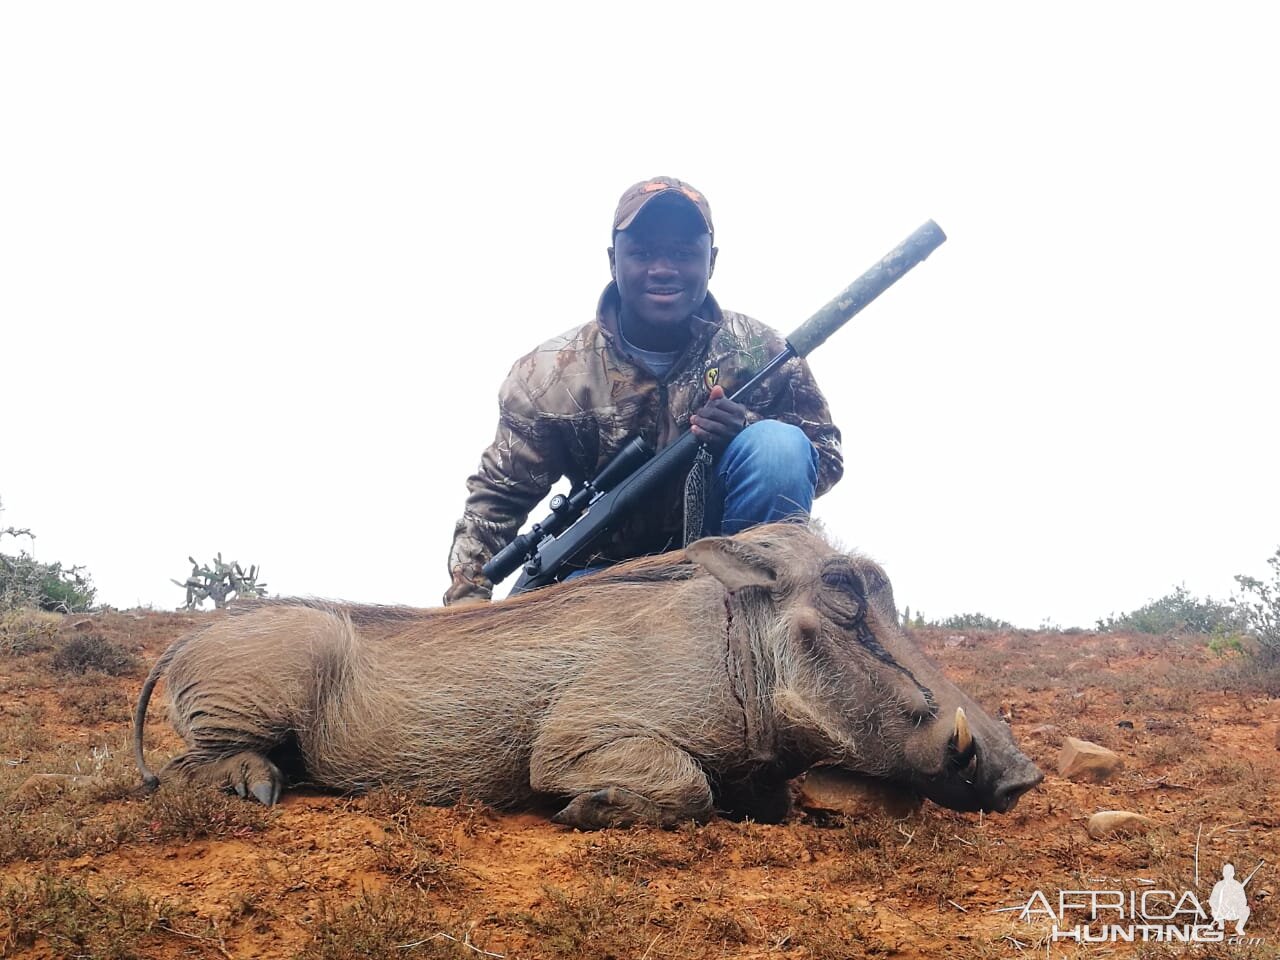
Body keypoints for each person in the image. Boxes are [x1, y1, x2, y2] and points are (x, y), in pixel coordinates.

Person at [444, 176, 843, 605]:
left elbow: (824, 456)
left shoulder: (762, 352)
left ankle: (758, 618)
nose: (663, 269)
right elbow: (497, 499)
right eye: (644, 253)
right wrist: (468, 602)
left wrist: (743, 428)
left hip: (724, 567)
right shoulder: (547, 376)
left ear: (711, 261)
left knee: (777, 445)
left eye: (683, 253)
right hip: (602, 578)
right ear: (614, 260)